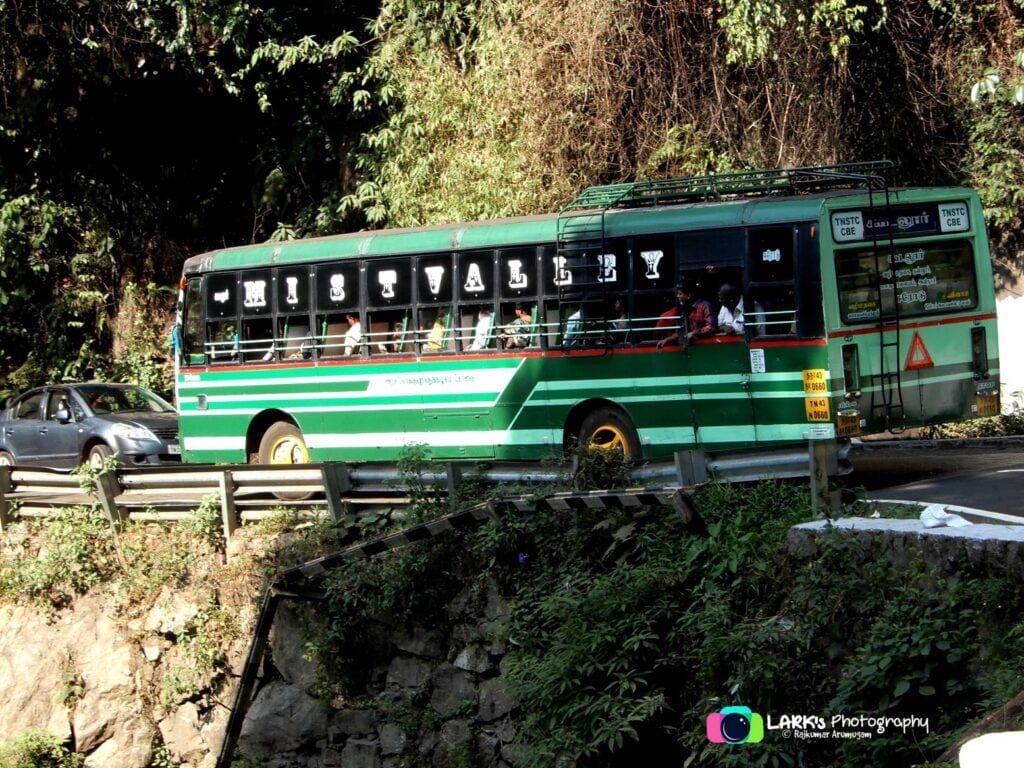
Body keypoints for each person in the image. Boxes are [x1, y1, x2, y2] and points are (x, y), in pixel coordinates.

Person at [657, 280, 716, 349]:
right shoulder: (684, 310)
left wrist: (694, 333)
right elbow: (680, 333)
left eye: (680, 294)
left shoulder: (704, 306)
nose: (677, 296)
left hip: (707, 346)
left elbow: (711, 327)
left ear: (688, 295)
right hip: (692, 348)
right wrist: (667, 339)